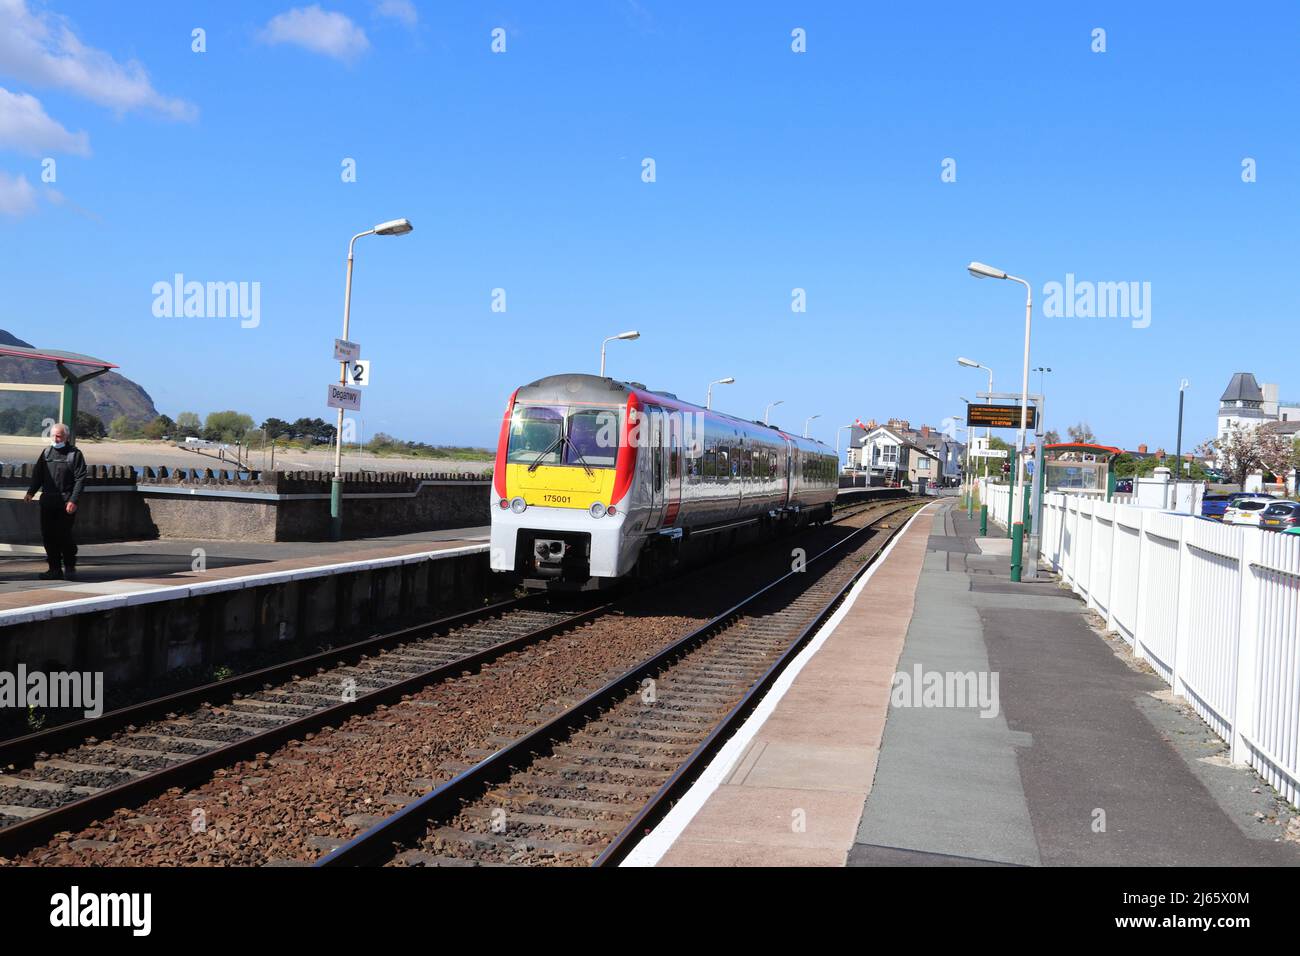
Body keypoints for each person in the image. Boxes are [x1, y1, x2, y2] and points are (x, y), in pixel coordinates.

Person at [23, 423, 87, 581]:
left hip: (66, 503)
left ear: (66, 436)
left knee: (64, 536)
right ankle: (54, 569)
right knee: (48, 536)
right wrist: (31, 492)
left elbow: (80, 479)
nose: (55, 438)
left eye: (58, 436)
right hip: (48, 502)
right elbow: (38, 475)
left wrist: (74, 500)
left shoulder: (75, 454)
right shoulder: (46, 453)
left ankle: (70, 564)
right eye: (53, 435)